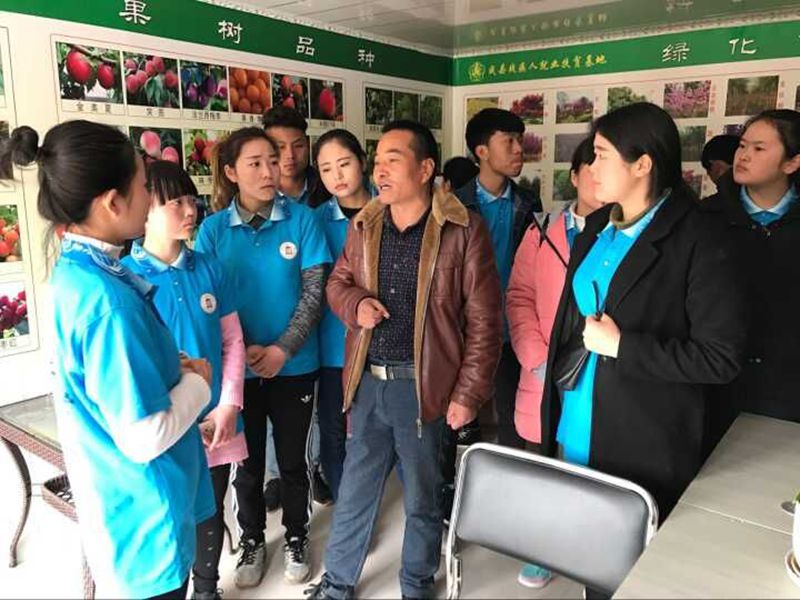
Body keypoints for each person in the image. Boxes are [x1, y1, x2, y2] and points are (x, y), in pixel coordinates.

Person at [1, 121, 214, 599]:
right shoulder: (107, 301)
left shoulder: (77, 274)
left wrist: (168, 366)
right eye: (144, 186)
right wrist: (198, 382)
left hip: (117, 504)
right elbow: (143, 436)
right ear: (112, 203)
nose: (150, 196)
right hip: (144, 514)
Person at [306, 120, 503, 599]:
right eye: (377, 161)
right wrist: (356, 304)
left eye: (393, 160)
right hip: (369, 382)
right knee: (356, 489)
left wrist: (468, 393)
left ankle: (415, 584)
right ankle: (337, 583)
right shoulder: (365, 224)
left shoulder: (462, 229)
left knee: (422, 495)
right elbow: (338, 283)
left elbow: (485, 321)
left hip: (424, 387)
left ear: (425, 168)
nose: (380, 171)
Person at [542, 103, 745, 529]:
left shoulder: (698, 236)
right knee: (579, 540)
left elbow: (720, 358)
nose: (590, 168)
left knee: (628, 552)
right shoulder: (599, 224)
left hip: (641, 434)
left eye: (601, 155)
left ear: (643, 164)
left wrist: (623, 346)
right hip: (577, 413)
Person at [196, 127, 331, 588]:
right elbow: (210, 302)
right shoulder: (213, 230)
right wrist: (243, 353)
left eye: (272, 161)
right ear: (232, 172)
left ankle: (296, 535)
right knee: (247, 464)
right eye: (255, 163)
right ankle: (253, 538)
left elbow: (314, 294)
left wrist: (281, 349)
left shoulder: (302, 220)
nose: (270, 170)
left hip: (295, 365)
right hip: (238, 372)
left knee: (293, 461)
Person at [122, 160, 247, 600]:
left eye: (191, 199)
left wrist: (228, 404)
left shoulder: (210, 268)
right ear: (145, 209)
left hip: (214, 418)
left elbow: (232, 342)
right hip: (163, 421)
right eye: (175, 202)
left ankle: (208, 589)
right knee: (170, 511)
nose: (190, 210)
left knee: (210, 508)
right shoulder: (127, 277)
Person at [505, 136, 601, 589]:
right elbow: (519, 295)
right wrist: (534, 355)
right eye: (592, 168)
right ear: (575, 176)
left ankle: (589, 549)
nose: (600, 179)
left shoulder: (626, 235)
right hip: (544, 368)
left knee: (591, 462)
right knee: (542, 459)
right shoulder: (543, 231)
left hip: (599, 369)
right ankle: (542, 549)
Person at [704, 109, 800, 433]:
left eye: (759, 148)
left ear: (792, 162)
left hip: (788, 391)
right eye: (742, 145)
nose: (743, 156)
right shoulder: (705, 218)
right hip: (717, 386)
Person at [455, 107, 543, 450]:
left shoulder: (528, 203)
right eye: (509, 141)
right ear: (482, 151)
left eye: (520, 140)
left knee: (513, 415)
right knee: (457, 417)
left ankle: (509, 474)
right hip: (466, 328)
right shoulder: (454, 205)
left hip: (512, 328)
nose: (519, 149)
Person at [262, 105, 332, 507]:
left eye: (298, 145)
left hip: (319, 319)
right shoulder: (253, 198)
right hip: (269, 324)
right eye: (277, 148)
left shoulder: (325, 191)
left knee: (316, 405)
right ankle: (275, 476)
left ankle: (315, 467)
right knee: (273, 405)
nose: (289, 156)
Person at [311, 129, 373, 501]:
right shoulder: (315, 221)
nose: (337, 176)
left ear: (362, 162)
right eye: (326, 169)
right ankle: (344, 503)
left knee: (376, 428)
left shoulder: (391, 208)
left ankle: (370, 496)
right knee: (333, 429)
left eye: (344, 164)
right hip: (333, 345)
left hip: (381, 343)